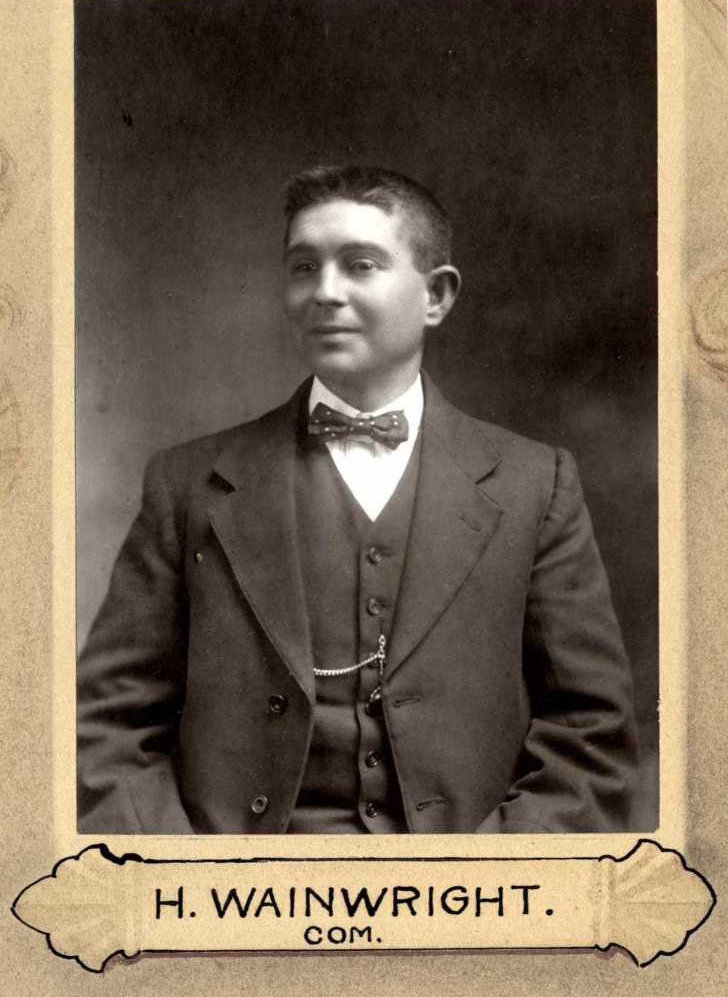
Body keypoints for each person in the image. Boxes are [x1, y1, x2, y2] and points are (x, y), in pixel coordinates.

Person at [77, 164, 638, 834]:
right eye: (304, 267)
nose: (324, 292)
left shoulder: (534, 485)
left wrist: (487, 876)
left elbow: (589, 735)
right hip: (236, 883)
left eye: (360, 265)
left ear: (436, 296)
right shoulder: (188, 485)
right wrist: (195, 876)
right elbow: (107, 729)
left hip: (469, 881)